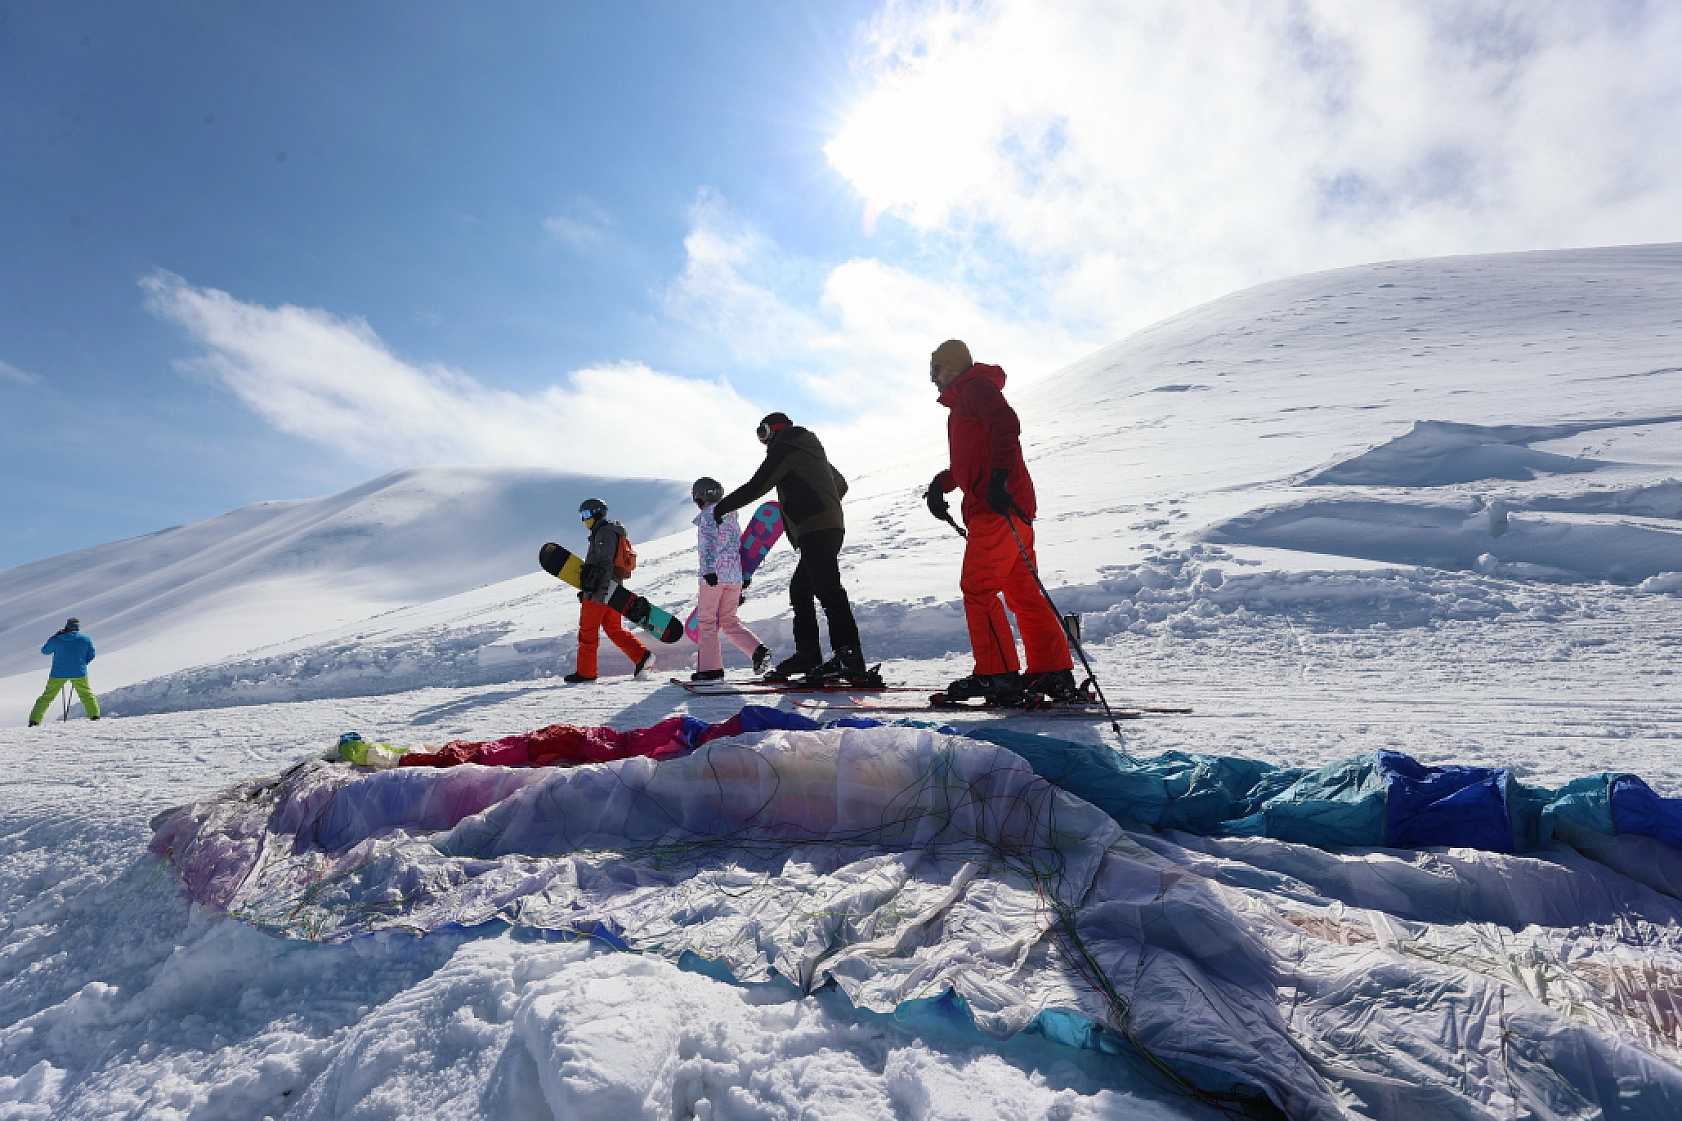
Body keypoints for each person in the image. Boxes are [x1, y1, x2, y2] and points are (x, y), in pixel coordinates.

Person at [924, 340, 1078, 704]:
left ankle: (996, 674)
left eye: (936, 370)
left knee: (978, 589)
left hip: (996, 509)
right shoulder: (964, 401)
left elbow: (1006, 425)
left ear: (953, 367)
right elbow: (973, 460)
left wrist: (998, 479)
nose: (931, 379)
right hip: (1012, 508)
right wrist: (942, 483)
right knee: (1023, 593)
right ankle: (1051, 671)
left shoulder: (975, 389)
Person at [712, 412, 867, 684]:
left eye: (763, 433)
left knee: (828, 590)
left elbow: (758, 485)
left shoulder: (785, 447)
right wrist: (823, 504)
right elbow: (840, 484)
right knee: (801, 590)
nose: (763, 441)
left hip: (816, 529)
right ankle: (809, 655)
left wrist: (722, 508)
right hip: (824, 527)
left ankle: (849, 658)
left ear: (774, 430)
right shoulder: (808, 449)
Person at [689, 477, 773, 681]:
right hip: (734, 575)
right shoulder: (732, 515)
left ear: (700, 496)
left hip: (714, 575)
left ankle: (711, 670)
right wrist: (742, 576)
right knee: (729, 621)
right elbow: (738, 545)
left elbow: (708, 543)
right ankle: (757, 651)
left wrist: (708, 569)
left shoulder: (708, 515)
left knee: (707, 621)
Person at [565, 498, 653, 684]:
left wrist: (598, 592)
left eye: (586, 514)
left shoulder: (604, 533)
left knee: (588, 631)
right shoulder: (610, 532)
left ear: (597, 513)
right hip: (613, 592)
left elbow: (604, 564)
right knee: (614, 629)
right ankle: (642, 656)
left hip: (600, 592)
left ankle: (586, 673)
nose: (584, 519)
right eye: (582, 515)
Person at [28, 618, 101, 726]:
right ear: (78, 628)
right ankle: (94, 716)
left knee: (47, 697)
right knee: (86, 695)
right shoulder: (85, 640)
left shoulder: (57, 639)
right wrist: (81, 663)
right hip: (79, 672)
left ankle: (35, 720)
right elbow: (92, 655)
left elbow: (45, 651)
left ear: (66, 626)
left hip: (58, 673)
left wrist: (55, 637)